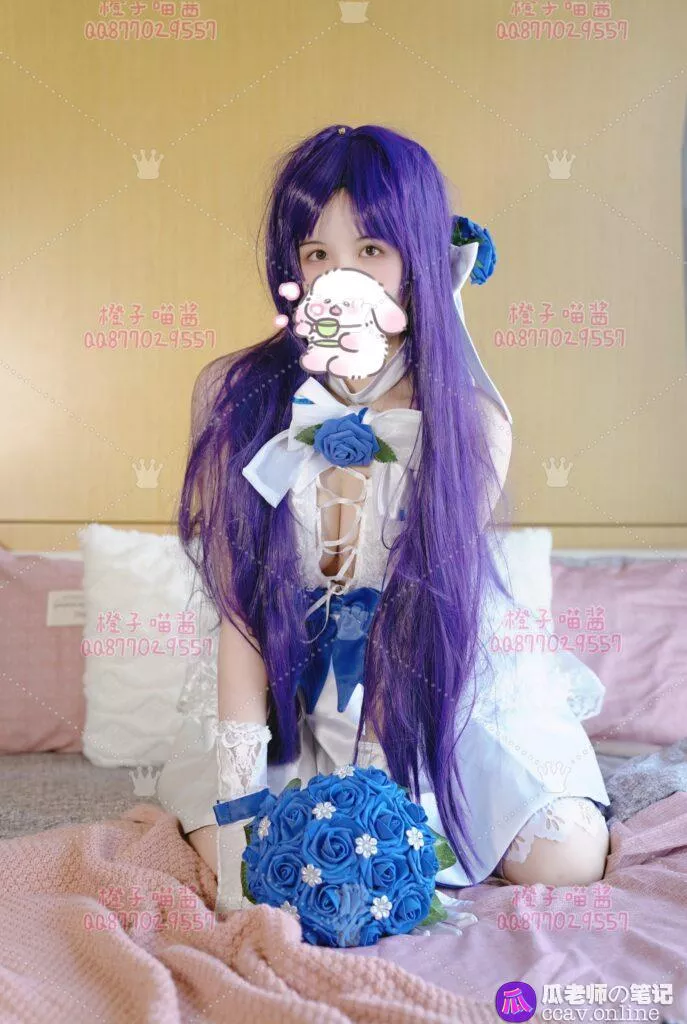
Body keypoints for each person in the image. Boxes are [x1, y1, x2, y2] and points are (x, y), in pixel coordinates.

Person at [156, 124, 611, 916]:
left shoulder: (469, 420)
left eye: (370, 249)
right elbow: (240, 620)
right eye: (316, 253)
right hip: (283, 695)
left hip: (432, 693)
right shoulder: (235, 394)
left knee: (565, 859)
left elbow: (418, 619)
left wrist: (375, 815)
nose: (341, 278)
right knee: (262, 866)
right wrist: (235, 846)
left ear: (417, 261)